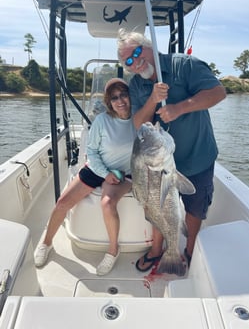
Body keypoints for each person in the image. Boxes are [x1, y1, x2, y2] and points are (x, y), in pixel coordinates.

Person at [117, 28, 226, 272]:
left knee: (195, 209)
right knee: (158, 206)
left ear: (148, 46)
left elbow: (218, 93)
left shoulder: (184, 65)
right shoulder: (136, 84)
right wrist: (153, 99)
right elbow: (138, 123)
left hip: (196, 157)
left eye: (137, 52)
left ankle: (187, 250)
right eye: (129, 61)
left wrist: (179, 108)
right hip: (159, 165)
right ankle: (158, 251)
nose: (135, 62)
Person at [34, 78, 136, 276]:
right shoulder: (102, 120)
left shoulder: (139, 119)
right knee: (63, 202)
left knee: (107, 203)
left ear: (130, 96)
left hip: (123, 173)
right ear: (109, 102)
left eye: (123, 94)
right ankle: (46, 243)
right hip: (98, 168)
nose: (120, 100)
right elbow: (92, 151)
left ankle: (113, 251)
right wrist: (104, 173)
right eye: (114, 97)